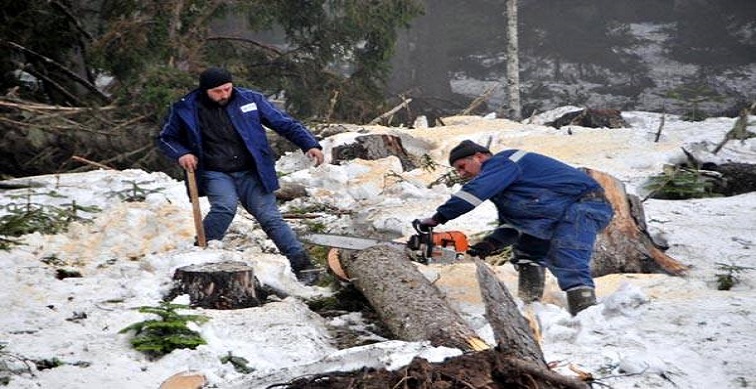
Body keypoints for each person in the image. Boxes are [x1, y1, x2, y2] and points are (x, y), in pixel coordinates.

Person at [157, 67, 325, 285]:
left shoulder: (251, 99)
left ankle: (302, 265)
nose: (224, 95)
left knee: (271, 217)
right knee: (225, 207)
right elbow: (166, 137)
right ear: (205, 90)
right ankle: (199, 255)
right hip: (215, 171)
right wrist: (182, 153)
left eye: (227, 89)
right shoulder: (186, 107)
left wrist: (309, 144)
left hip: (252, 170)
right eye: (217, 91)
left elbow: (283, 123)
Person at [417, 140, 614, 315]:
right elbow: (513, 225)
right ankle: (529, 305)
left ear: (479, 157)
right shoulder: (505, 185)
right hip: (555, 213)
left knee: (567, 254)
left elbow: (474, 193)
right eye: (458, 170)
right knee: (527, 251)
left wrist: (438, 218)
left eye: (462, 166)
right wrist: (489, 244)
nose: (461, 174)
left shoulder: (503, 161)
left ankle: (585, 315)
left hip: (585, 207)